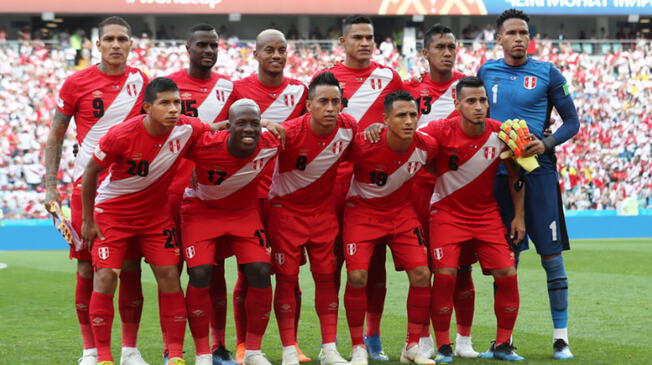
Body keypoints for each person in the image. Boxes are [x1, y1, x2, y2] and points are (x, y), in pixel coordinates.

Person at [80, 77, 214, 365]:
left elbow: (216, 128)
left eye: (177, 102)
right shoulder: (121, 134)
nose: (173, 109)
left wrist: (265, 123)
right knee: (106, 276)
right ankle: (103, 357)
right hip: (113, 214)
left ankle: (175, 355)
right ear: (147, 108)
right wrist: (88, 220)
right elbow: (90, 172)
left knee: (169, 277)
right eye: (165, 103)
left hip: (155, 217)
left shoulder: (187, 128)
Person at [43, 16, 149, 365]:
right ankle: (90, 350)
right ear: (98, 44)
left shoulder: (142, 82)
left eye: (122, 38)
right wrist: (50, 188)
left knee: (131, 267)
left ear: (131, 44)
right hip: (85, 191)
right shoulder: (76, 82)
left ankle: (130, 350)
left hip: (130, 191)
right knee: (88, 269)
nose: (116, 44)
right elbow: (56, 137)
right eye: (109, 39)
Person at [478, 9, 580, 360]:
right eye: (512, 33)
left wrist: (546, 144)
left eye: (524, 32)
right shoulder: (486, 72)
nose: (519, 38)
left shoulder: (548, 73)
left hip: (538, 173)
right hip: (499, 175)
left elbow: (572, 122)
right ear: (499, 38)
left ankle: (561, 338)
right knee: (508, 262)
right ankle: (502, 341)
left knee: (551, 258)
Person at [315, 15, 404, 360]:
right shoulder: (328, 80)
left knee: (375, 263)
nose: (366, 42)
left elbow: (405, 116)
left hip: (375, 182)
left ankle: (374, 335)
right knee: (334, 263)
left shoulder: (389, 77)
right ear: (343, 41)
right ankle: (332, 340)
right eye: (358, 37)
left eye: (370, 37)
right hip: (334, 181)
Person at [420, 76, 525, 362]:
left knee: (507, 274)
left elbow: (517, 175)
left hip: (486, 215)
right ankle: (443, 346)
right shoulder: (439, 130)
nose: (479, 107)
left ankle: (503, 345)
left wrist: (518, 217)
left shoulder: (501, 132)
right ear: (457, 104)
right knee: (445, 276)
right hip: (447, 214)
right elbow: (414, 148)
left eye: (483, 100)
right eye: (471, 101)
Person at [181, 99, 281, 365]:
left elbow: (303, 131)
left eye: (255, 124)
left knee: (261, 270)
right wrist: (208, 128)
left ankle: (252, 351)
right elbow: (172, 142)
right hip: (202, 211)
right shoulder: (204, 144)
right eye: (241, 123)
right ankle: (203, 354)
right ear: (229, 126)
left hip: (243, 213)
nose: (249, 129)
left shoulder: (271, 142)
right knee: (200, 273)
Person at [232, 28, 309, 364]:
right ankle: (243, 344)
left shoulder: (300, 90)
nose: (276, 56)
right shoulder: (239, 90)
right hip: (249, 194)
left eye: (282, 50)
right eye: (269, 50)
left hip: (287, 194)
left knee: (290, 273)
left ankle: (291, 344)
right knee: (250, 272)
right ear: (256, 54)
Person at [267, 72, 354, 365]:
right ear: (308, 105)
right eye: (323, 101)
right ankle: (288, 349)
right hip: (285, 213)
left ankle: (329, 348)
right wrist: (264, 123)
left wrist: (377, 127)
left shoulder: (348, 127)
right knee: (287, 279)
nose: (330, 108)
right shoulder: (287, 133)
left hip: (322, 213)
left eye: (336, 102)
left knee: (327, 278)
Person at [343, 90, 436, 365]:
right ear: (385, 119)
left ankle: (412, 346)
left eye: (412, 115)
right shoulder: (362, 144)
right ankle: (358, 347)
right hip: (362, 213)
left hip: (400, 213)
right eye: (401, 116)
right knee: (358, 277)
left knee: (422, 273)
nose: (409, 121)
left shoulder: (427, 146)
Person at [403, 24, 478, 359]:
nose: (448, 52)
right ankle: (423, 340)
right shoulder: (411, 90)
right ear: (426, 53)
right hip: (419, 188)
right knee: (424, 269)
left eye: (452, 46)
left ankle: (463, 340)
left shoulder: (470, 87)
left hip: (459, 188)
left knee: (462, 268)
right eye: (441, 47)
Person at [165, 23, 238, 365]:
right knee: (172, 272)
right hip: (167, 193)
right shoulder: (167, 88)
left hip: (209, 196)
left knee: (212, 272)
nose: (209, 51)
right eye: (202, 45)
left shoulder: (228, 88)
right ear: (187, 47)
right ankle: (174, 349)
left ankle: (218, 345)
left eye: (214, 45)